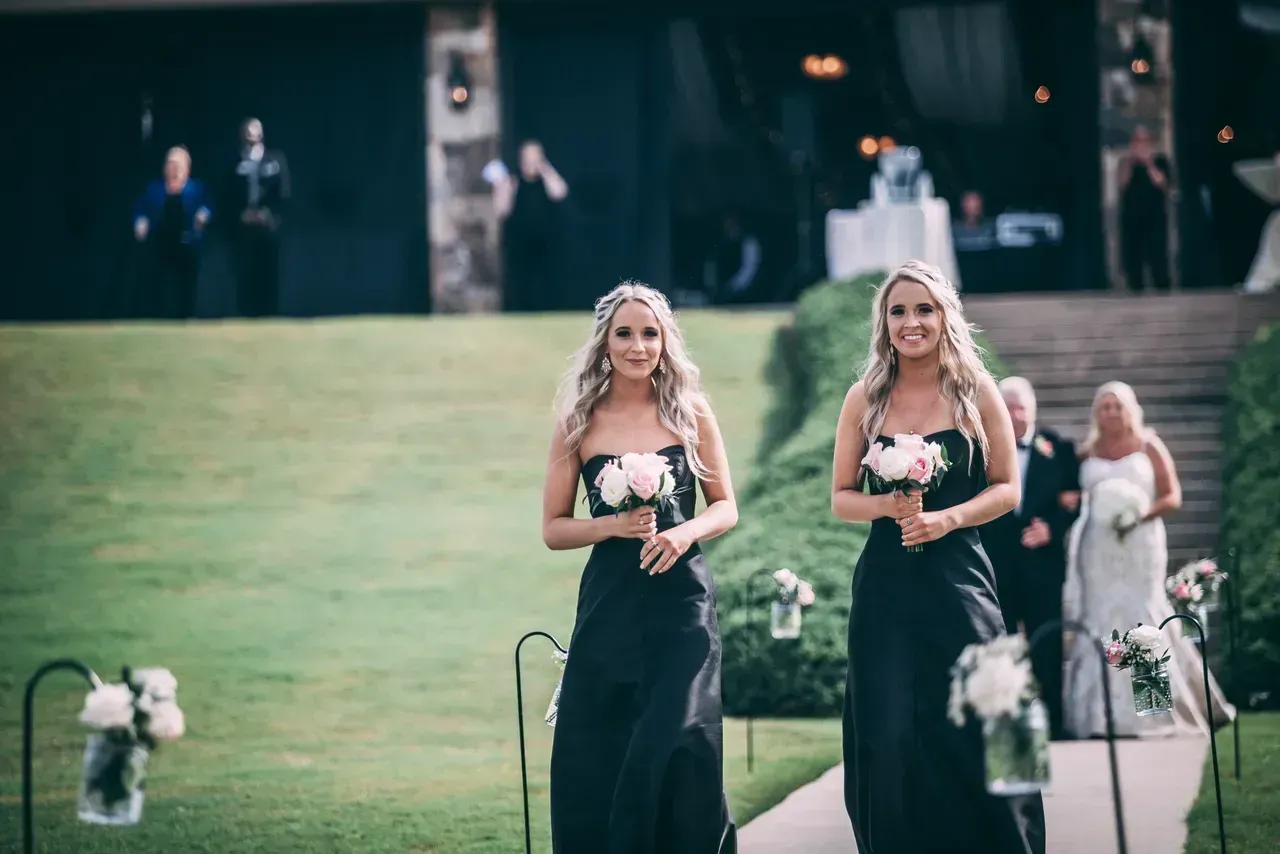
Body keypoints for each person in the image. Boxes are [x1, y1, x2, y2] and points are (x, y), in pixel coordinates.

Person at [831, 260, 1045, 853]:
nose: (911, 322)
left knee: (986, 717)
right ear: (885, 322)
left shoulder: (977, 391)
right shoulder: (864, 398)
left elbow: (1008, 489)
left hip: (960, 578)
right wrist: (891, 507)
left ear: (944, 314)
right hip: (886, 585)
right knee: (890, 729)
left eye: (923, 308)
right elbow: (842, 498)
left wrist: (946, 518)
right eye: (898, 311)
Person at [542, 281, 738, 852]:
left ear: (665, 341)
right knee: (604, 745)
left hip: (682, 606)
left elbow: (725, 505)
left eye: (648, 334)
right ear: (604, 342)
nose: (637, 345)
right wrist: (610, 526)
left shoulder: (691, 411)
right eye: (623, 333)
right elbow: (553, 528)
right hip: (611, 606)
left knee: (679, 737)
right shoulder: (578, 420)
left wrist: (682, 534)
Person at [1061, 382, 1236, 738]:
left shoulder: (1148, 445)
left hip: (1140, 543)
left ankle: (1152, 709)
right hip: (1098, 549)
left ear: (1131, 410)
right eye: (1105, 406)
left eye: (1118, 406)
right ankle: (1099, 716)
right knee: (1101, 615)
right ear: (1097, 413)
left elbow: (1172, 496)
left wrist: (1138, 515)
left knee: (1142, 615)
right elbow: (1069, 492)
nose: (1111, 412)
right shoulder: (1086, 452)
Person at [980, 376, 1078, 740]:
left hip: (1043, 564)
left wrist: (1052, 529)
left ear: (1033, 409)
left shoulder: (1058, 447)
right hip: (997, 562)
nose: (1014, 414)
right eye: (1007, 407)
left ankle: (1053, 719)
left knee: (1046, 640)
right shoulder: (983, 448)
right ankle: (1002, 718)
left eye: (1020, 406)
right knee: (998, 638)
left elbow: (1073, 502)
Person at [132, 146, 211, 319]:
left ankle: (186, 319)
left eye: (178, 164)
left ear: (187, 167)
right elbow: (140, 209)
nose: (174, 168)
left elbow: (208, 206)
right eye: (170, 164)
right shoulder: (155, 189)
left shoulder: (196, 188)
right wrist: (140, 222)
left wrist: (203, 215)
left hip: (187, 243)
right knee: (157, 286)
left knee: (186, 287)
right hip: (160, 244)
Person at [495, 139, 569, 312]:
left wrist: (544, 169)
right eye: (528, 157)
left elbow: (560, 192)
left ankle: (547, 309)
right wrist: (504, 189)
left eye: (535, 157)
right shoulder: (513, 180)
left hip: (545, 241)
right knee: (520, 280)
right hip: (519, 241)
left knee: (545, 280)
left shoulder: (546, 180)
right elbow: (502, 210)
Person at [228, 118, 290, 317]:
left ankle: (270, 314)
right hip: (244, 229)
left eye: (255, 131)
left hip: (268, 228)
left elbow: (284, 192)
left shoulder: (275, 160)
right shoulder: (236, 162)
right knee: (245, 273)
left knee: (269, 273)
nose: (251, 135)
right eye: (247, 131)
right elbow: (227, 193)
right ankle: (245, 314)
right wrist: (241, 214)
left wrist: (269, 214)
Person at [1117, 125, 1172, 292]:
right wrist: (1131, 162)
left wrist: (1149, 162)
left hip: (1154, 218)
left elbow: (1162, 183)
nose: (1141, 144)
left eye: (1144, 140)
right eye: (1137, 140)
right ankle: (1135, 288)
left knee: (1158, 257)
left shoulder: (1160, 160)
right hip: (1132, 218)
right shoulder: (1126, 163)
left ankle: (1163, 289)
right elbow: (1122, 183)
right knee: (1133, 260)